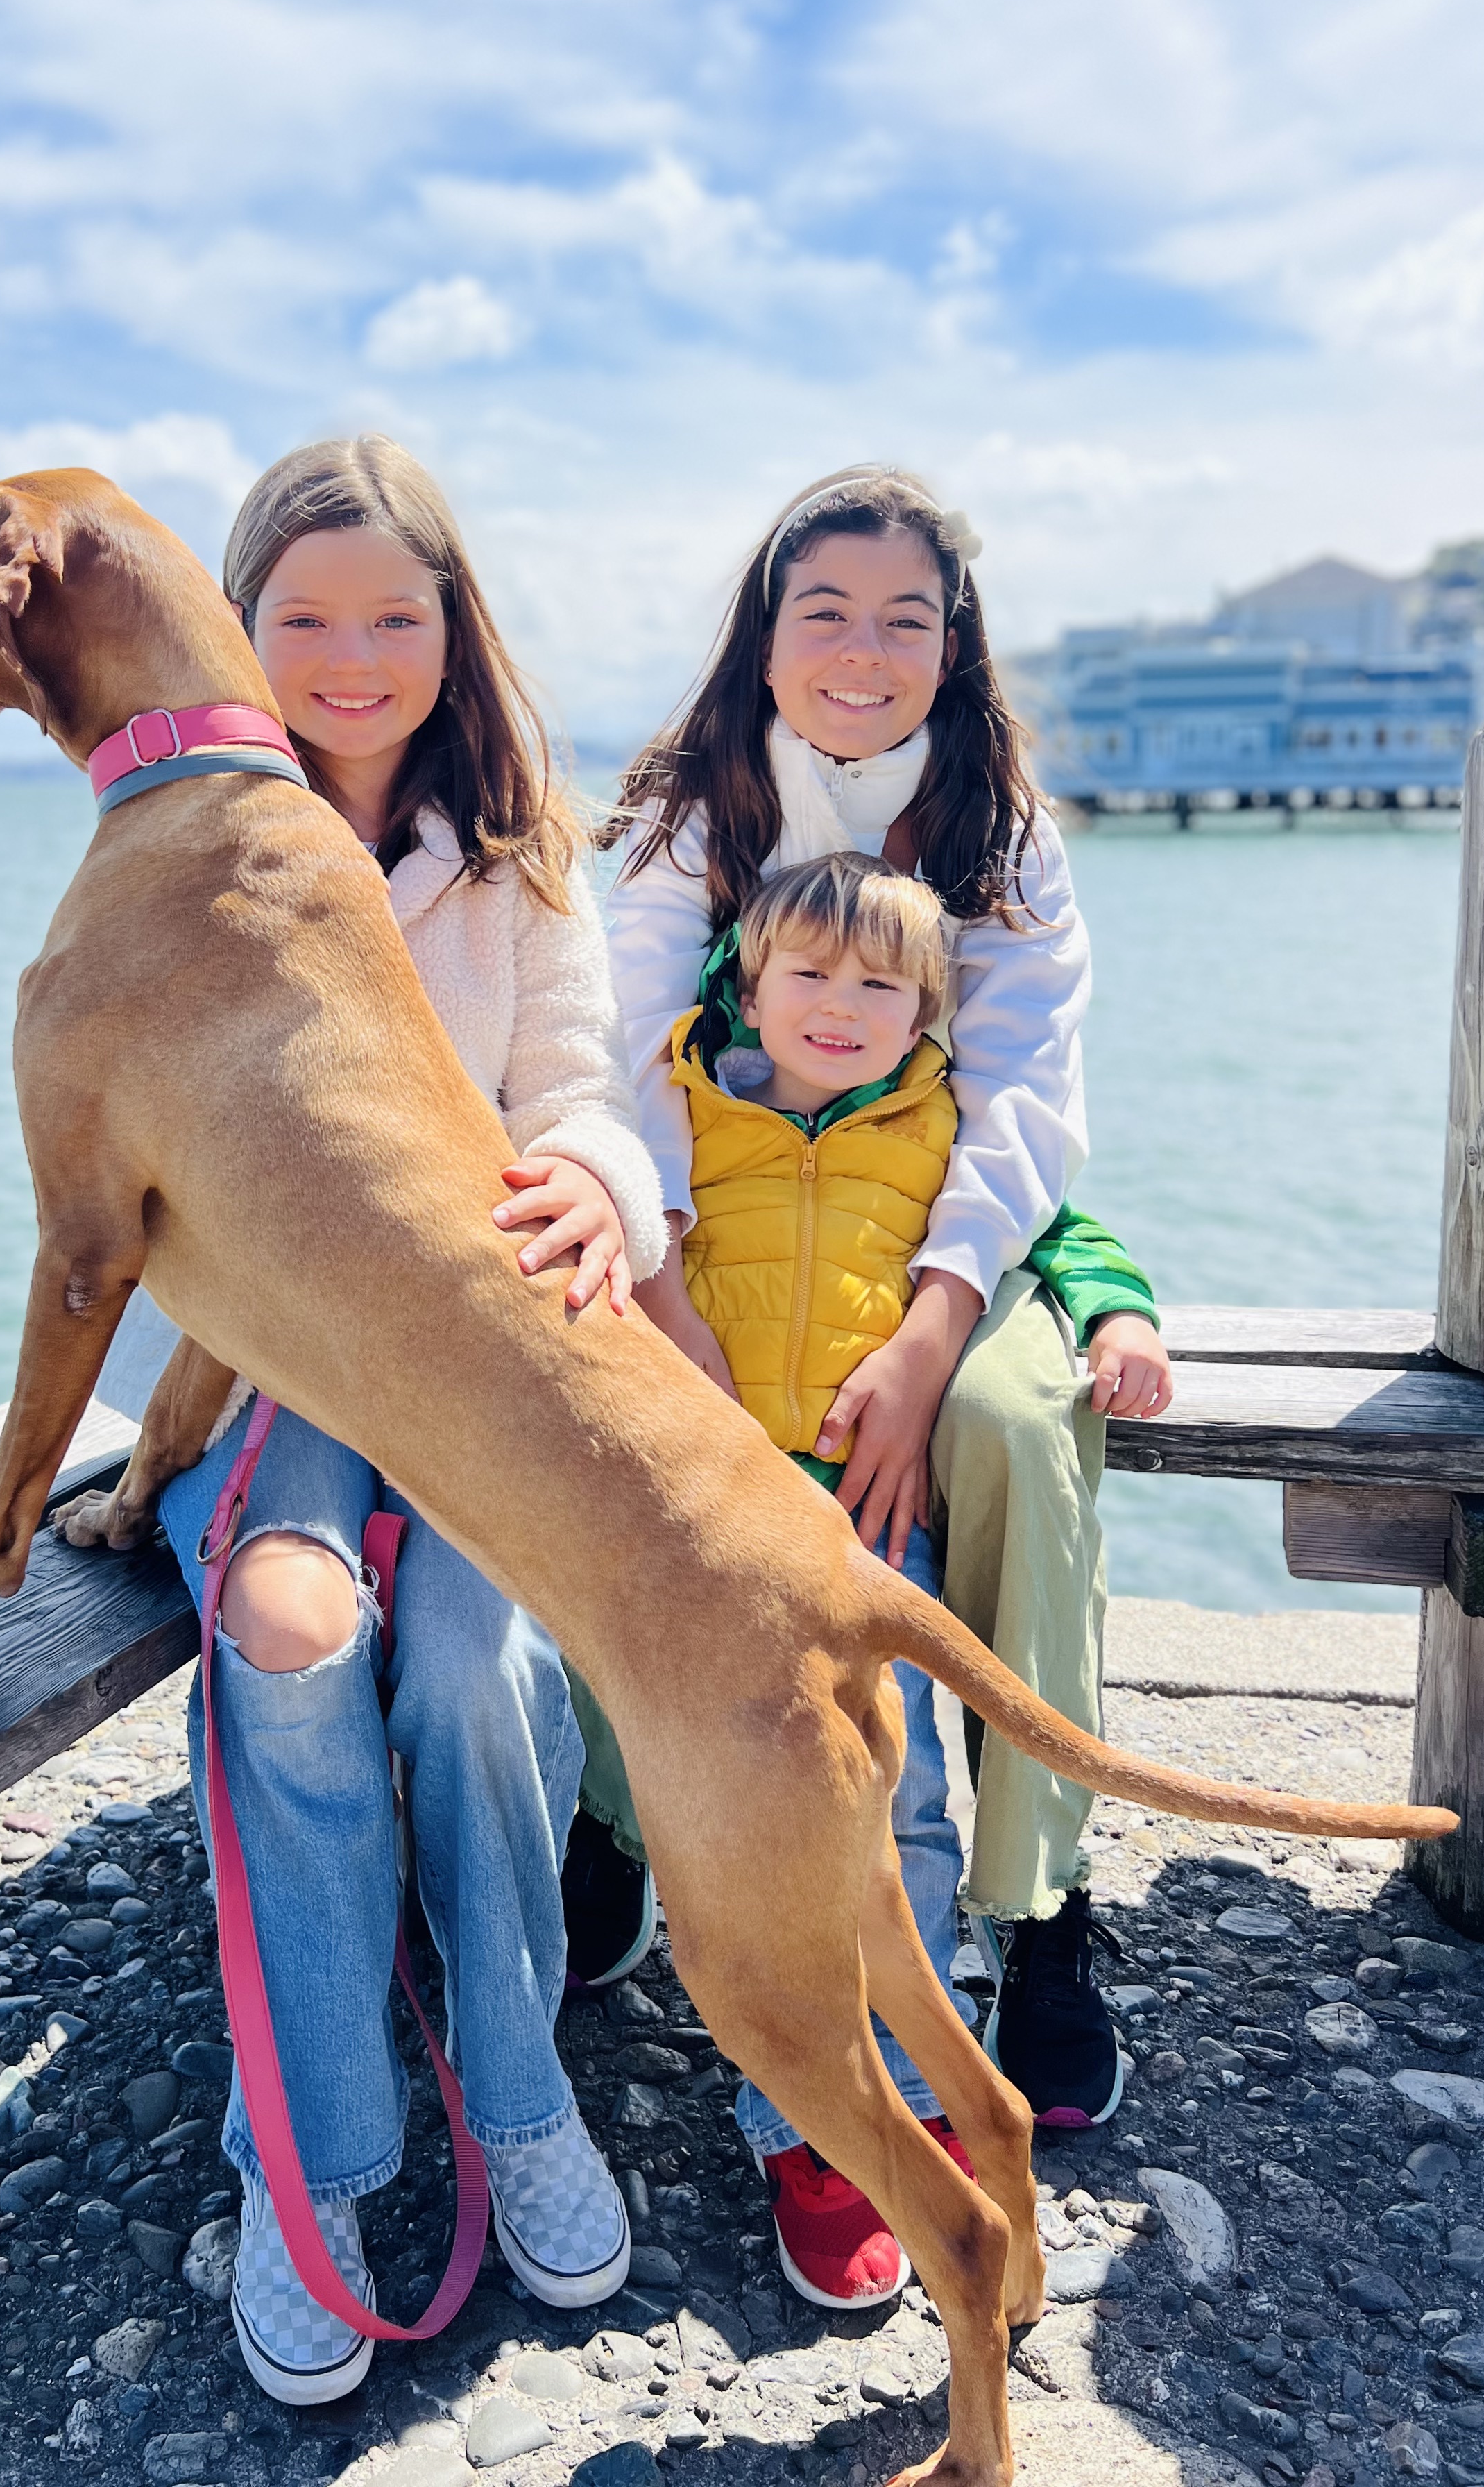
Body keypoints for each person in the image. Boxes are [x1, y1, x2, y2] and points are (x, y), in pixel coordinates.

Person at [145, 436, 669, 2405]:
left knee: (471, 1649)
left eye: (394, 613)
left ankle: (520, 2083)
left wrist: (592, 1186)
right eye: (304, 617)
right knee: (295, 1634)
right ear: (236, 627)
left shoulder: (525, 851)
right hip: (259, 1361)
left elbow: (581, 1083)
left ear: (456, 627)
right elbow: (119, 1150)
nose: (351, 657)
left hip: (469, 1356)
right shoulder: (186, 844)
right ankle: (315, 2154)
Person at [587, 464, 1172, 2175]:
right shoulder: (683, 815)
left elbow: (1025, 1108)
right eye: (821, 612)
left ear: (951, 642)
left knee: (1006, 1434)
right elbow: (616, 1061)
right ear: (764, 638)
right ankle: (616, 1821)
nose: (861, 650)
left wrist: (928, 1337)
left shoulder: (1001, 833)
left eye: (902, 619)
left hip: (946, 1238)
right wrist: (668, 1306)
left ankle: (1034, 1898)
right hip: (690, 1238)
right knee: (608, 1434)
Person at [666, 844, 1167, 2306]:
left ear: (926, 1010)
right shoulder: (682, 1119)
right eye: (805, 975)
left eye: (878, 984)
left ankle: (919, 2080)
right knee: (750, 1825)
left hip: (879, 1533)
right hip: (719, 1541)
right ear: (740, 985)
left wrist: (1119, 1319)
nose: (838, 1006)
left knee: (902, 1814)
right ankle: (803, 2123)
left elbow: (1056, 1223)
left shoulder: (942, 1125)